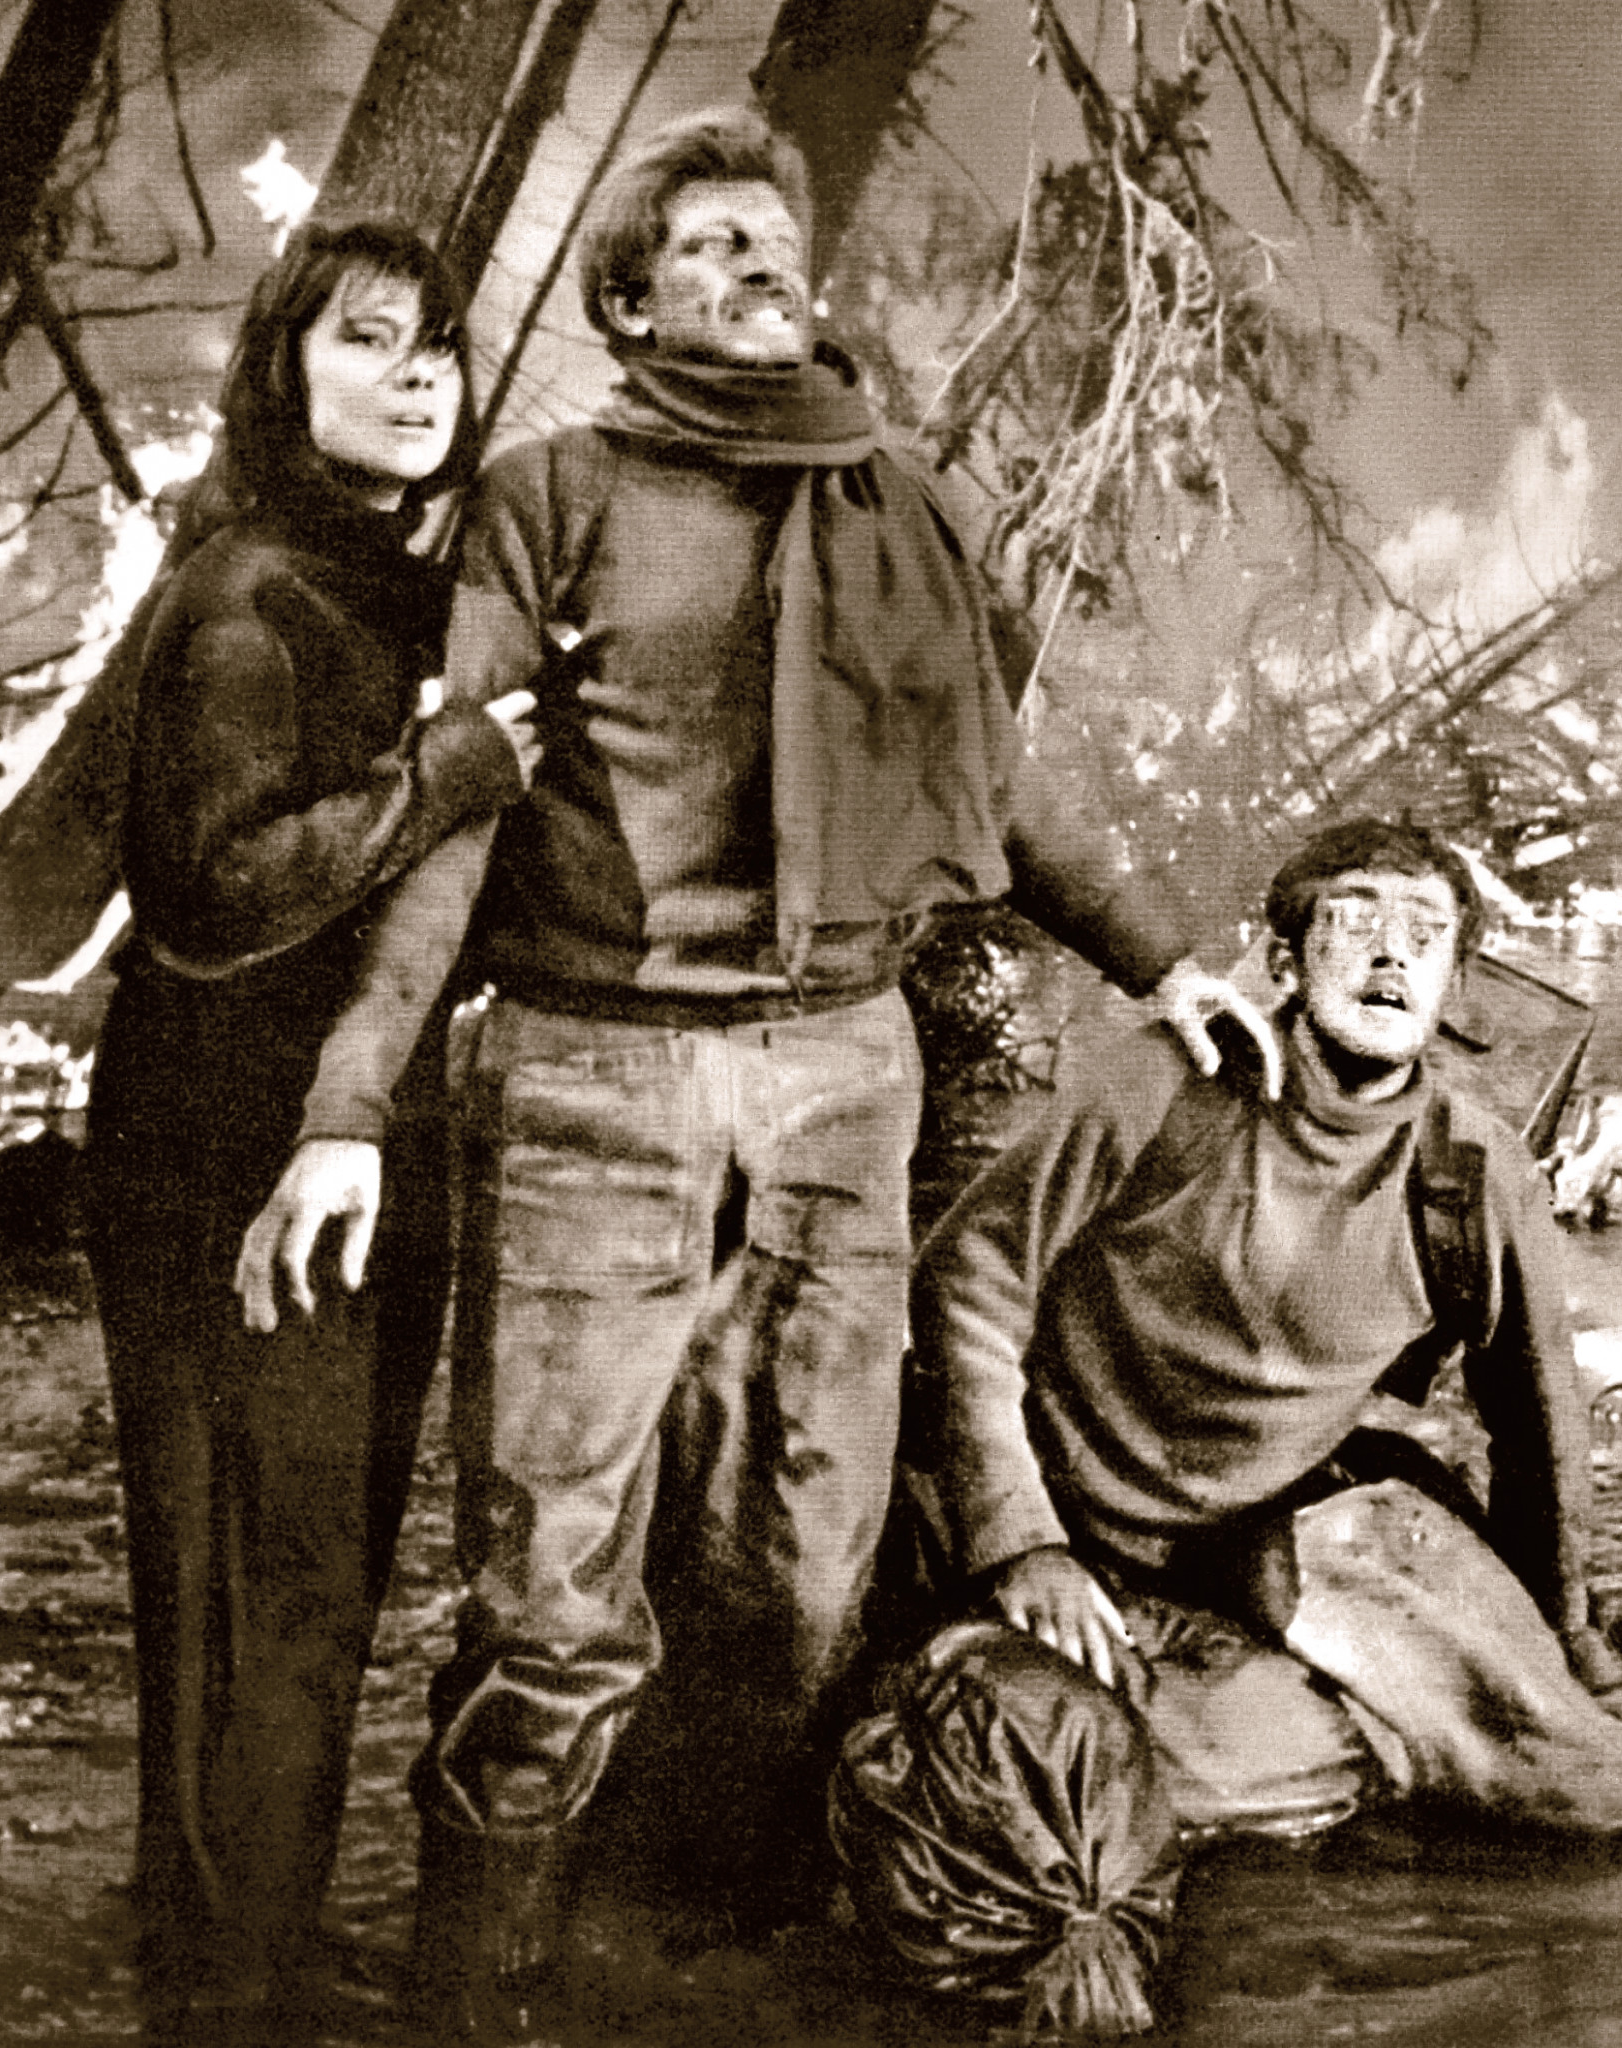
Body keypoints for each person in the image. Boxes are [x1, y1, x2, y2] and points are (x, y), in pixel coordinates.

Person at [235, 106, 1271, 2043]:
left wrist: (1165, 957)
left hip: (843, 1079)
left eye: (767, 237)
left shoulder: (901, 497)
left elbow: (1000, 781)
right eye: (703, 245)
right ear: (626, 306)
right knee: (551, 1607)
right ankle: (479, 1990)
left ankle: (679, 1969)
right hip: (590, 1079)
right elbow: (458, 810)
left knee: (796, 1578)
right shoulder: (546, 496)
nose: (753, 262)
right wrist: (348, 1106)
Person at [82, 218, 536, 2029]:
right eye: (367, 340)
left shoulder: (385, 584)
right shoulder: (247, 596)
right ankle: (218, 1981)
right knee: (239, 1579)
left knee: (319, 1570)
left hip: (362, 1133)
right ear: (285, 371)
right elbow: (211, 894)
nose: (417, 377)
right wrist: (452, 765)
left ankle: (242, 1940)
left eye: (438, 345)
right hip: (212, 1144)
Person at [909, 817, 1622, 1875]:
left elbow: (1537, 1434)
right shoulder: (1168, 1082)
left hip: (1260, 1533)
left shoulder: (1472, 1173)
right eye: (1355, 922)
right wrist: (1020, 1542)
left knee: (1566, 1774)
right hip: (1064, 1515)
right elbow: (967, 1279)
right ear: (1283, 964)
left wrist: (1563, 1651)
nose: (1391, 954)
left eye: (1424, 934)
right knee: (1019, 1771)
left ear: (1452, 986)